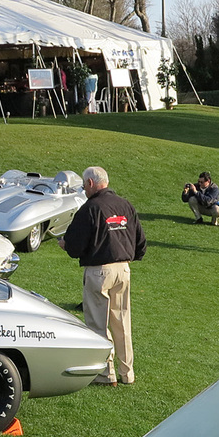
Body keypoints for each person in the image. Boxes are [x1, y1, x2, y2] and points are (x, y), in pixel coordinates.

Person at [60, 165, 144, 386]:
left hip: (99, 271)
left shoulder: (90, 208)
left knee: (98, 323)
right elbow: (140, 242)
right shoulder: (126, 205)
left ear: (90, 183)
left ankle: (106, 374)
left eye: (84, 186)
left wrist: (65, 245)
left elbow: (75, 246)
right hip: (124, 269)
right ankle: (128, 373)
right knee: (122, 322)